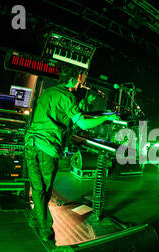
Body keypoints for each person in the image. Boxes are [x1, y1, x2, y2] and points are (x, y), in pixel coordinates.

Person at [24, 66, 118, 243]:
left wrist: (93, 110)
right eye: (81, 78)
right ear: (77, 78)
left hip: (31, 144)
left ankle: (35, 219)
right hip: (46, 148)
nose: (82, 81)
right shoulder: (67, 96)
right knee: (44, 189)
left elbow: (69, 114)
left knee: (37, 188)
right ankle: (45, 229)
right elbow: (82, 123)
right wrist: (106, 118)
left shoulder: (48, 92)